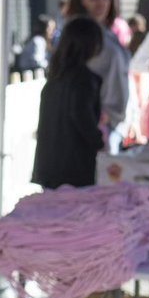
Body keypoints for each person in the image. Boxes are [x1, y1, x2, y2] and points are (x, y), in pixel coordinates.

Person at [31, 16, 105, 189]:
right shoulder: (83, 79)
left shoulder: (56, 77)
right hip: (73, 170)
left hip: (49, 167)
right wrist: (98, 143)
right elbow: (81, 114)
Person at [61, 0, 131, 150]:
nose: (100, 0)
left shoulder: (106, 32)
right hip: (96, 127)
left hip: (114, 125)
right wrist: (97, 116)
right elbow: (70, 83)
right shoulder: (78, 33)